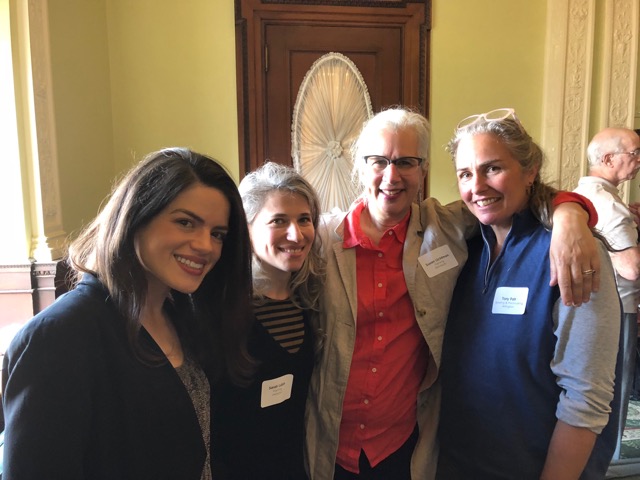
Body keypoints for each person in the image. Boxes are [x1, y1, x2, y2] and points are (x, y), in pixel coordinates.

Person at [305, 107, 601, 480]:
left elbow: (512, 199)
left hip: (406, 448)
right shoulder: (319, 243)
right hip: (329, 446)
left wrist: (570, 212)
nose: (391, 176)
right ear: (360, 167)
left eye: (406, 162)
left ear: (423, 170)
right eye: (378, 161)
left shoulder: (445, 227)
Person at [1, 148, 254, 480]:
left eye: (217, 234)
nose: (206, 245)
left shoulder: (184, 317)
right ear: (137, 217)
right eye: (185, 222)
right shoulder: (60, 336)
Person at [436, 109, 622, 479]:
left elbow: (586, 397)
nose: (477, 186)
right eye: (465, 174)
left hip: (538, 466)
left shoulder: (571, 251)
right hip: (456, 463)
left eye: (493, 168)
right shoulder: (462, 246)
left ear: (530, 169)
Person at [212, 162, 325, 479]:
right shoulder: (219, 308)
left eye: (304, 220)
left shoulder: (310, 300)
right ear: (245, 229)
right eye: (279, 221)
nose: (296, 233)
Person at [573, 127, 640, 457]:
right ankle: (609, 458)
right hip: (619, 308)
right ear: (608, 158)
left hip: (588, 303)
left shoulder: (583, 195)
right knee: (616, 387)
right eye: (634, 153)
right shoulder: (610, 207)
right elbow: (631, 268)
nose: (639, 160)